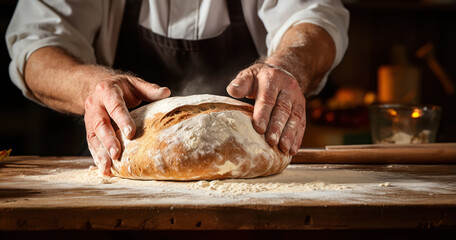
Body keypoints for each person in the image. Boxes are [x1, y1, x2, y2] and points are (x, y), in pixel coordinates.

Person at [6, 0, 349, 175]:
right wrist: (93, 85)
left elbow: (316, 15)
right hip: (121, 180)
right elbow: (35, 43)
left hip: (253, 189)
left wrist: (286, 65)